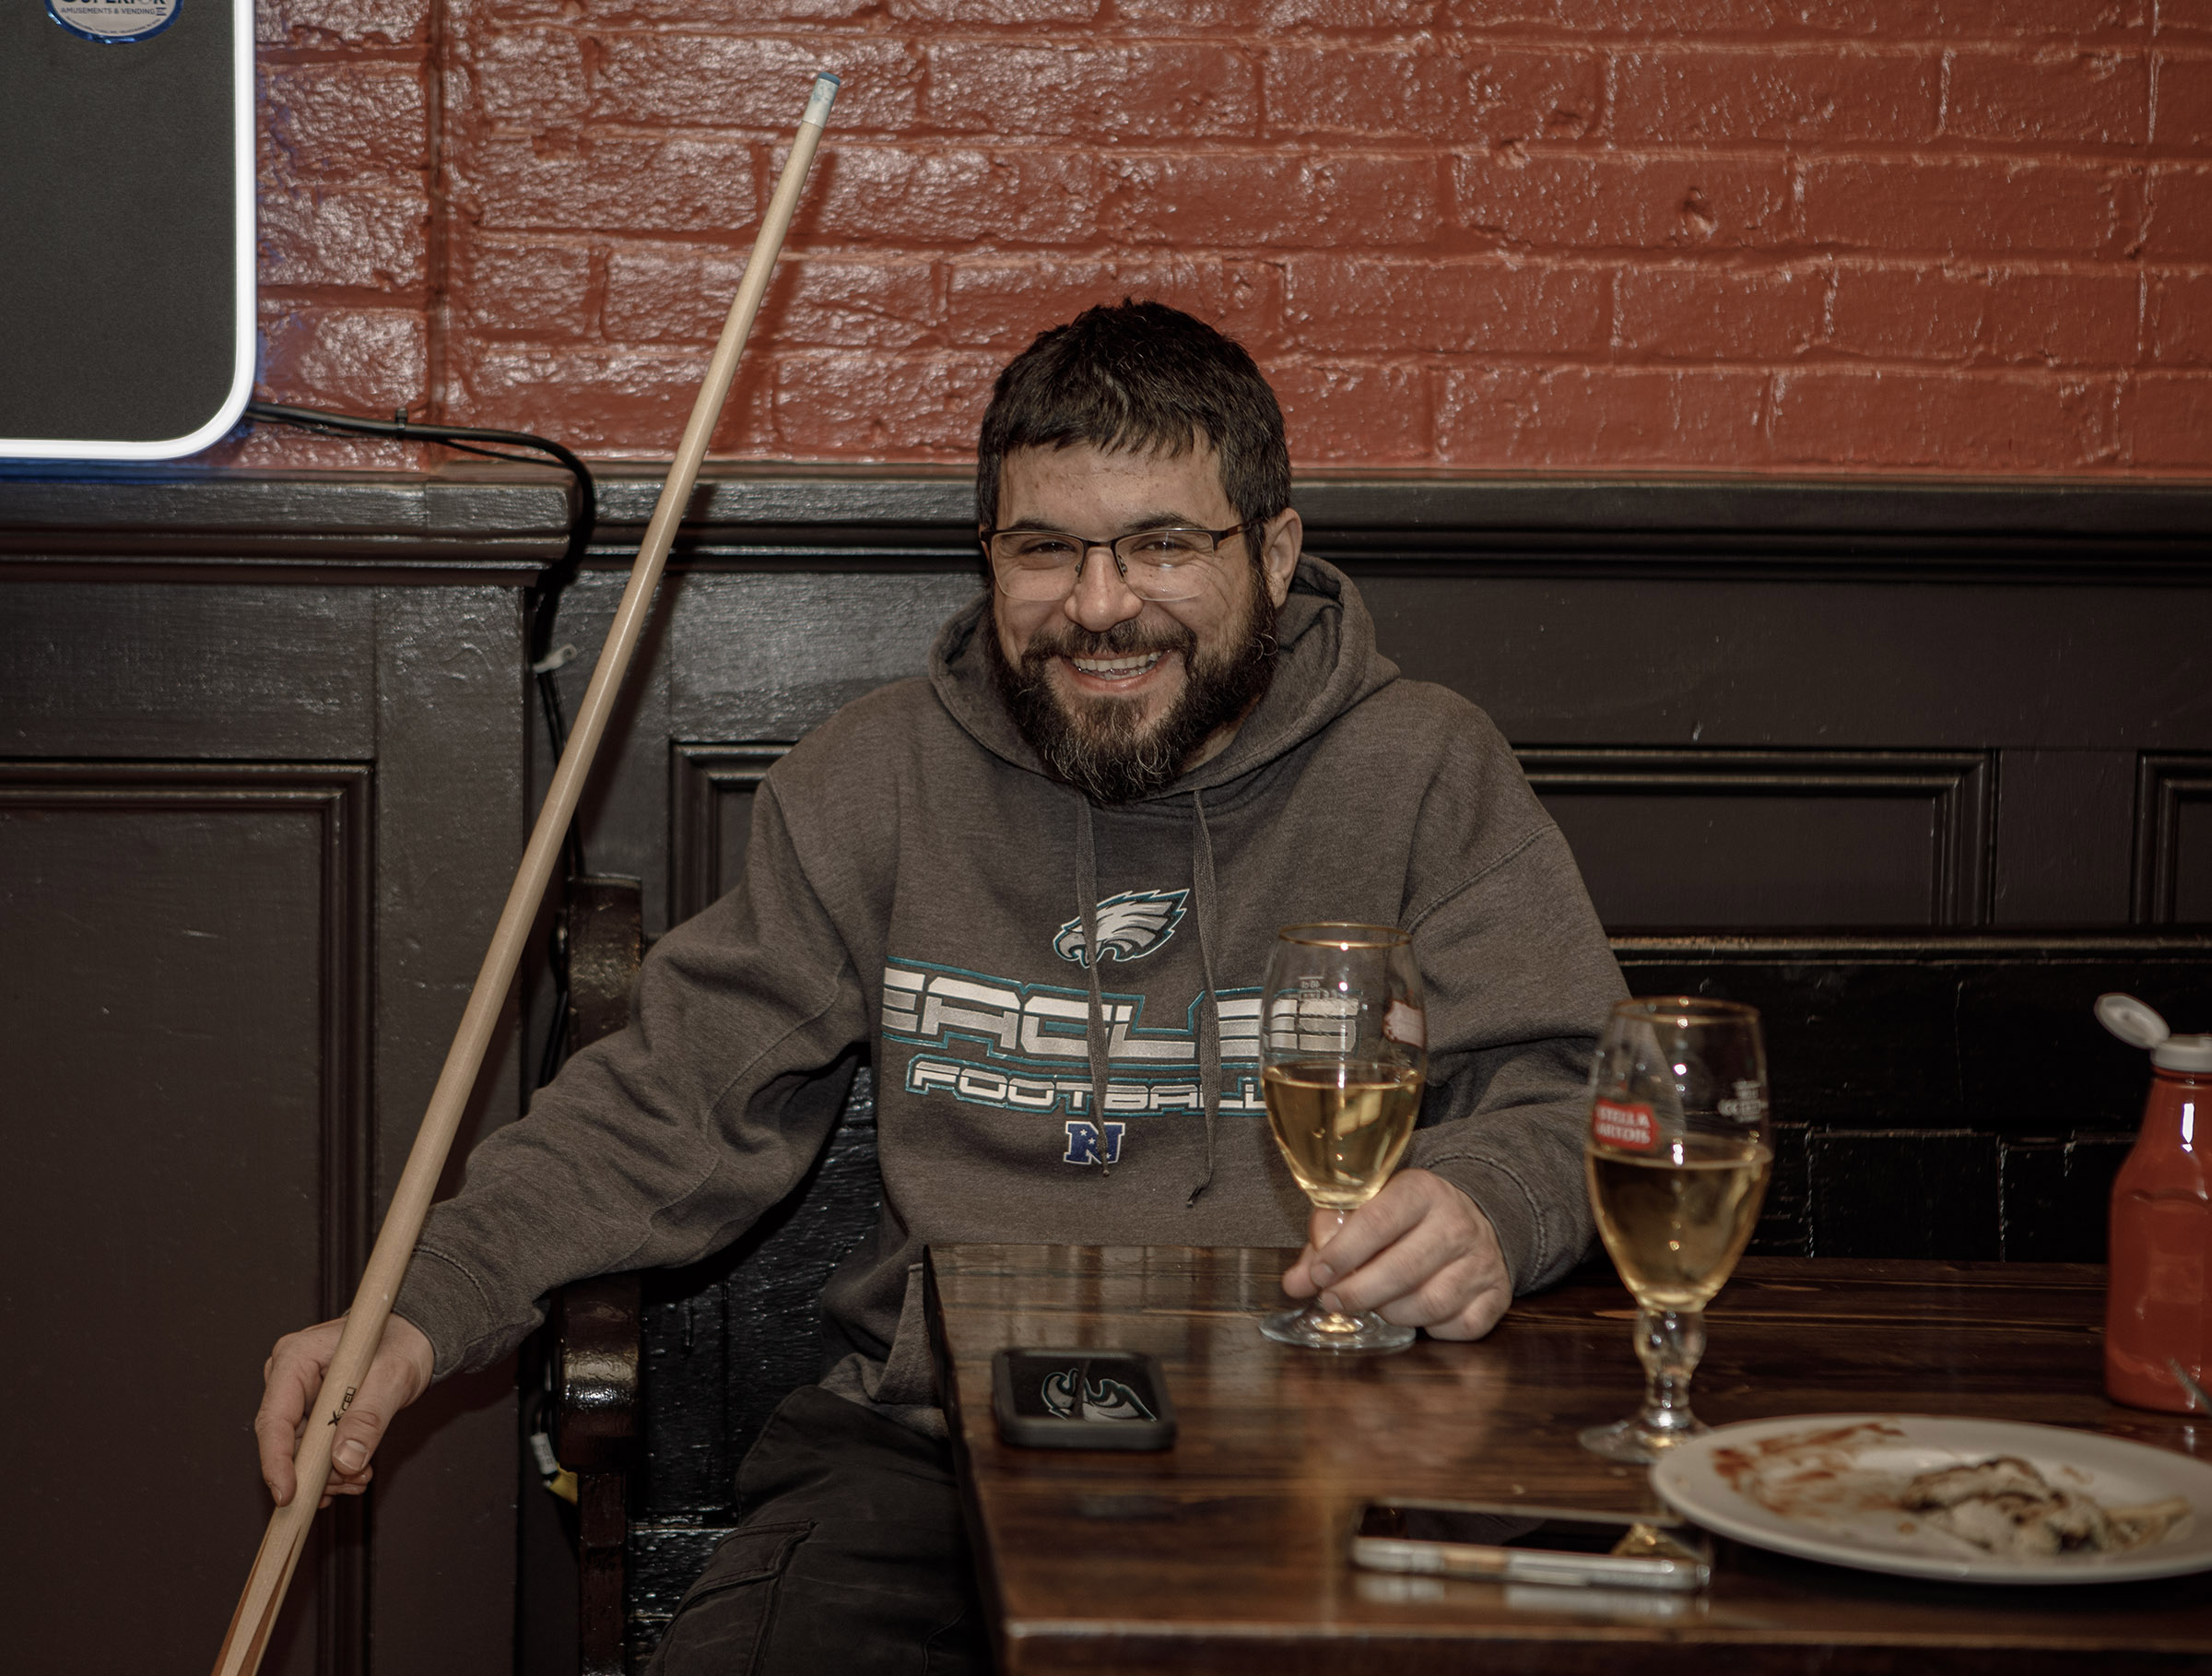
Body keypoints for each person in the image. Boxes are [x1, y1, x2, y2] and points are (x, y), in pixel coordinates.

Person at [255, 300, 1626, 1672]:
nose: (1100, 606)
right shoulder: (873, 779)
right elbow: (665, 1104)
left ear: (1272, 553)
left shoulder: (1423, 769)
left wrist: (1490, 1207)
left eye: (1162, 543)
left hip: (1326, 1429)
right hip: (929, 1451)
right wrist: (420, 1308)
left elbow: (1579, 1096)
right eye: (1045, 549)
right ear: (989, 557)